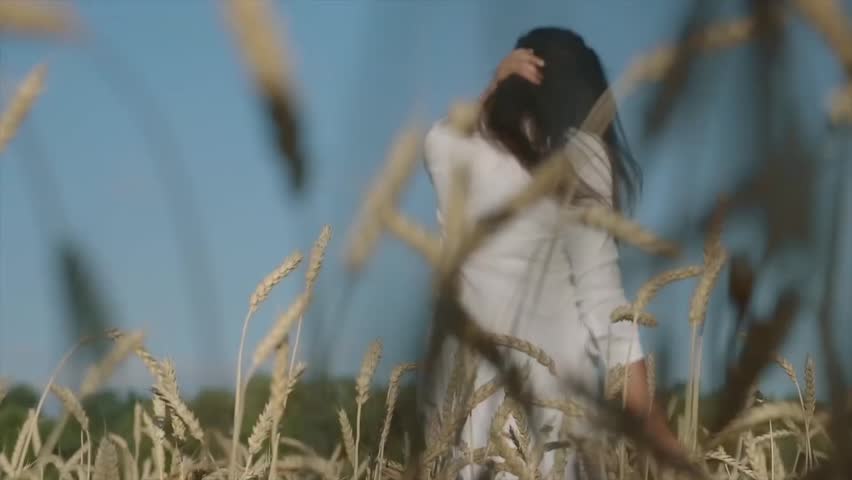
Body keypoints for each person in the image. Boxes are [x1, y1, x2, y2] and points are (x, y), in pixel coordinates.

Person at [419, 27, 683, 478]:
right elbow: (606, 308)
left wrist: (493, 88)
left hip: (462, 418)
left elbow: (447, 136)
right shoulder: (583, 159)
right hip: (554, 418)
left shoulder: (451, 149)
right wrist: (656, 430)